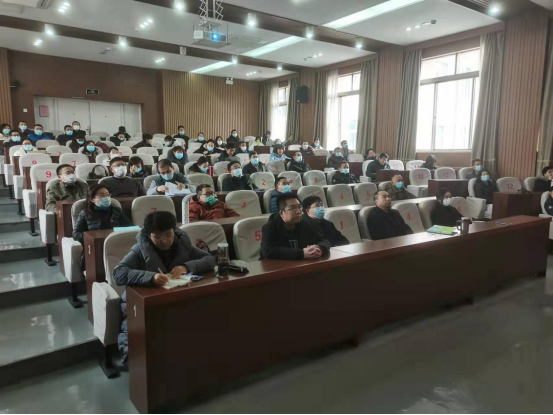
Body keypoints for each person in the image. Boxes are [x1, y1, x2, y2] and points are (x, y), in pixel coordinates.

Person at [114, 211, 216, 363]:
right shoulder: (139, 249)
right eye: (157, 237)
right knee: (139, 345)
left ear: (174, 231)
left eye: (168, 235)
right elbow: (118, 273)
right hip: (141, 304)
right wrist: (151, 277)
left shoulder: (182, 245)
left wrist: (186, 267)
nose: (164, 241)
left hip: (174, 299)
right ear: (149, 235)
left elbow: (210, 259)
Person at [260, 193, 331, 260]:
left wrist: (319, 249)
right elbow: (268, 251)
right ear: (282, 213)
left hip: (301, 265)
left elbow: (324, 240)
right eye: (293, 208)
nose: (298, 211)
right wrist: (302, 253)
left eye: (299, 207)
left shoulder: (305, 224)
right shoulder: (270, 227)